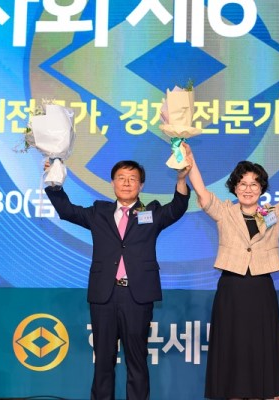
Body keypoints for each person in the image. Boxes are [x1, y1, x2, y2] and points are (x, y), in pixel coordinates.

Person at [182, 138, 279, 400]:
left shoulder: (271, 214)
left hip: (260, 288)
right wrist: (189, 160)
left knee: (259, 350)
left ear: (261, 188)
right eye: (243, 184)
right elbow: (201, 191)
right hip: (232, 288)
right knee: (232, 349)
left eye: (254, 184)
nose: (248, 189)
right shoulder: (225, 212)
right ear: (234, 187)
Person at [44, 160, 191, 400]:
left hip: (137, 297)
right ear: (112, 183)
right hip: (105, 295)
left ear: (141, 186)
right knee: (103, 360)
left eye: (132, 179)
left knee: (137, 360)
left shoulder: (151, 213)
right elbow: (67, 211)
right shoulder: (99, 212)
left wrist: (181, 179)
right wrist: (54, 181)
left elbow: (177, 207)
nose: (126, 183)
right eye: (121, 178)